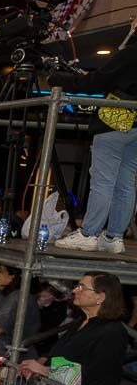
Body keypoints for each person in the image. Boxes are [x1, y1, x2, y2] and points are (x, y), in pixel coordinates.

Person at [51, 33, 137, 254]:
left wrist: (63, 79)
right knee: (126, 184)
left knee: (103, 181)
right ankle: (114, 237)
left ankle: (89, 234)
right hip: (136, 126)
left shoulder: (130, 53)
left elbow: (97, 81)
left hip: (115, 119)